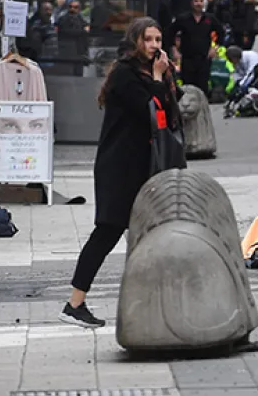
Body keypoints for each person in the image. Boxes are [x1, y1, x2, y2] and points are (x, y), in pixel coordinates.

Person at [63, 18, 180, 328]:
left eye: (159, 39)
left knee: (150, 232)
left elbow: (171, 108)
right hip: (119, 168)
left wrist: (164, 77)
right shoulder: (126, 75)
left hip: (144, 166)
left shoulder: (149, 74)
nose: (156, 45)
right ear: (136, 41)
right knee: (107, 231)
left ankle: (154, 303)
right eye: (149, 39)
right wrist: (158, 77)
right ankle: (75, 303)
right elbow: (149, 109)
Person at [167, 0, 221, 96]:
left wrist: (215, 48)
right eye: (196, 1)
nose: (198, 3)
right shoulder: (183, 18)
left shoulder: (209, 18)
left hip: (204, 58)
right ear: (191, 3)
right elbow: (170, 32)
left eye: (201, 1)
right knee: (187, 87)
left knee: (202, 87)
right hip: (188, 58)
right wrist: (174, 49)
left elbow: (221, 32)